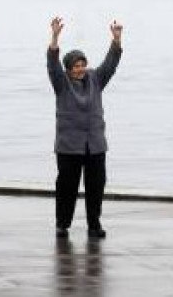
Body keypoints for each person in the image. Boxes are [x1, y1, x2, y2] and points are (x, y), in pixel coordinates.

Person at [47, 17, 123, 239]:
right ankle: (62, 223)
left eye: (83, 65)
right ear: (68, 70)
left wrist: (116, 40)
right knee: (66, 187)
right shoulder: (61, 83)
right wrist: (54, 38)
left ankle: (94, 224)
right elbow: (52, 65)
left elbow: (110, 64)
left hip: (95, 146)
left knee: (96, 187)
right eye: (75, 67)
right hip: (69, 147)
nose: (80, 69)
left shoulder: (95, 79)